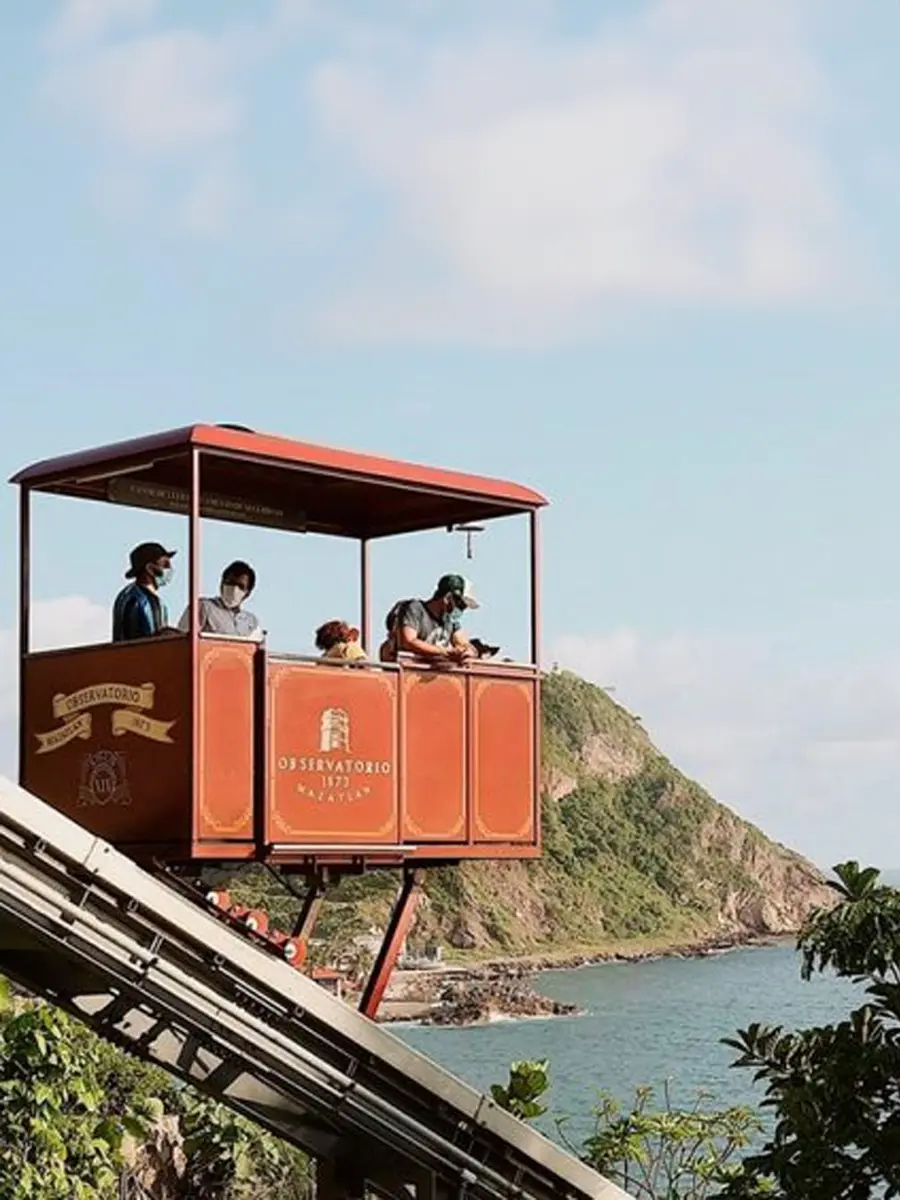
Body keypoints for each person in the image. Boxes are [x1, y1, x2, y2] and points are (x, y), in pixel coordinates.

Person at [379, 573, 478, 663]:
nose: (461, 610)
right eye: (461, 606)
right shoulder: (415, 609)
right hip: (406, 672)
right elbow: (409, 641)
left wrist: (468, 651)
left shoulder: (450, 621)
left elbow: (462, 641)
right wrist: (445, 652)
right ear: (447, 598)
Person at [178, 560, 263, 640]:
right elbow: (182, 640)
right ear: (222, 584)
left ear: (247, 593)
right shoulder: (203, 607)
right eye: (230, 582)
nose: (234, 589)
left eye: (240, 586)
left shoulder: (252, 622)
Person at [112, 542, 177, 642]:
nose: (169, 569)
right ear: (150, 568)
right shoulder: (135, 599)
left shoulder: (156, 601)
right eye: (164, 564)